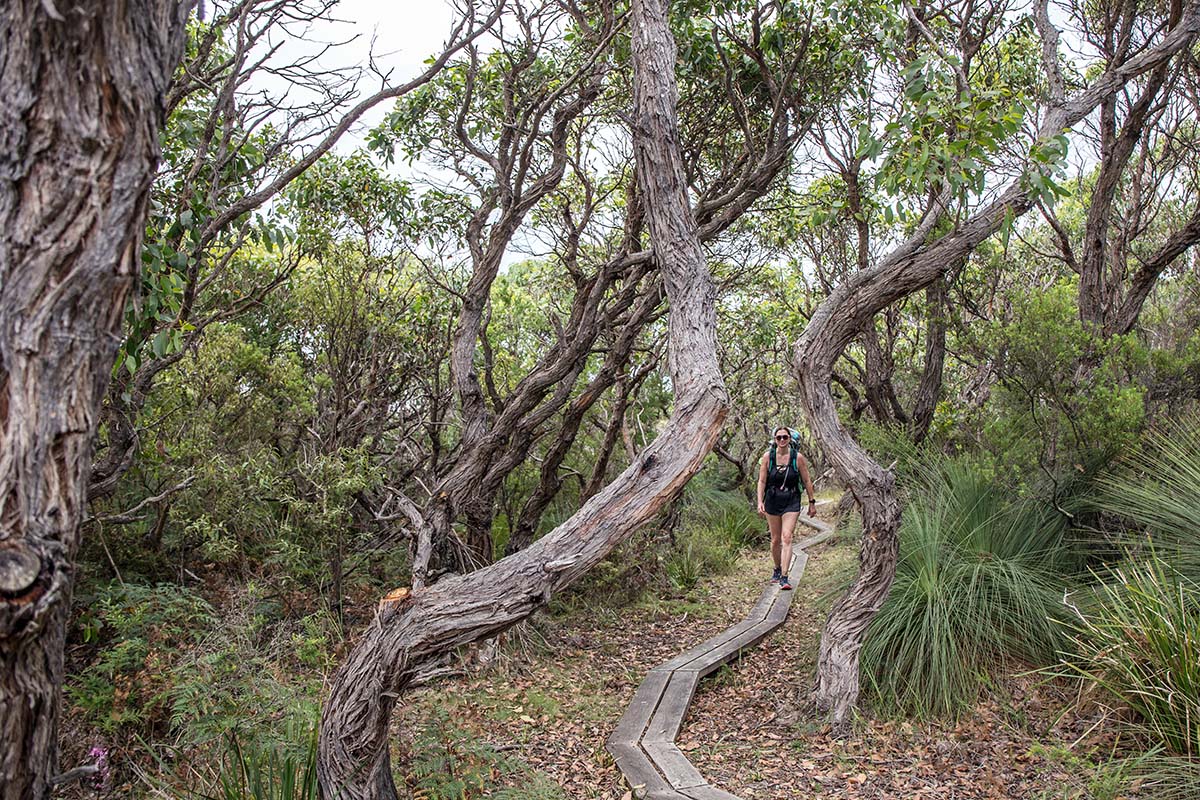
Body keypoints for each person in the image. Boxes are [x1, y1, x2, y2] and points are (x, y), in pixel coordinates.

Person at [756, 426, 817, 590]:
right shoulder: (768, 457)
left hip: (791, 500)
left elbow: (807, 480)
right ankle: (776, 569)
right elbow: (762, 481)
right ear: (774, 440)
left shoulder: (798, 458)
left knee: (787, 537)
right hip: (772, 500)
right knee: (775, 539)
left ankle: (784, 576)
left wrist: (812, 502)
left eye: (785, 437)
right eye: (779, 438)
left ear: (790, 439)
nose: (782, 440)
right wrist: (759, 501)